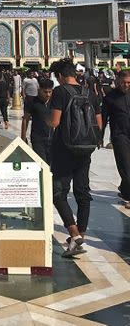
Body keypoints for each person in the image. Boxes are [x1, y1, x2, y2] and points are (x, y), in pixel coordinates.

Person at [48, 59, 102, 258]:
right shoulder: (90, 92)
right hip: (85, 149)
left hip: (64, 149)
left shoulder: (60, 92)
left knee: (58, 192)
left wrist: (46, 117)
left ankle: (73, 233)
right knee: (83, 192)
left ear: (61, 76)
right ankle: (81, 234)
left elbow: (54, 122)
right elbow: (99, 123)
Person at [101, 69, 130, 205]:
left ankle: (125, 190)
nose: (126, 85)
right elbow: (103, 117)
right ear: (118, 81)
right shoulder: (110, 98)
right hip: (120, 136)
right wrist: (99, 136)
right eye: (123, 82)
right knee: (125, 166)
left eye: (129, 82)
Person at [21, 78, 54, 163]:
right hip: (38, 139)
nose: (48, 95)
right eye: (45, 92)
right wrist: (23, 138)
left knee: (51, 164)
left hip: (52, 139)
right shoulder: (31, 101)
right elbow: (25, 120)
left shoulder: (54, 102)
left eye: (50, 92)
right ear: (39, 90)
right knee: (42, 163)